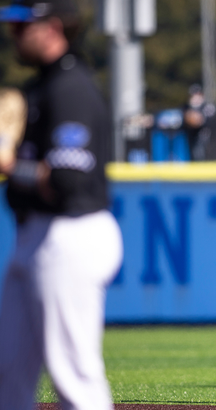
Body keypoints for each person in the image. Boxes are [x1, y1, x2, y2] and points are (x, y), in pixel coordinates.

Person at [0, 1, 123, 409]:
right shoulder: (40, 88)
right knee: (8, 372)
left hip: (70, 235)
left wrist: (11, 165)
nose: (13, 34)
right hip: (36, 236)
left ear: (52, 27)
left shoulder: (71, 88)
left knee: (72, 373)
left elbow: (68, 179)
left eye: (23, 27)